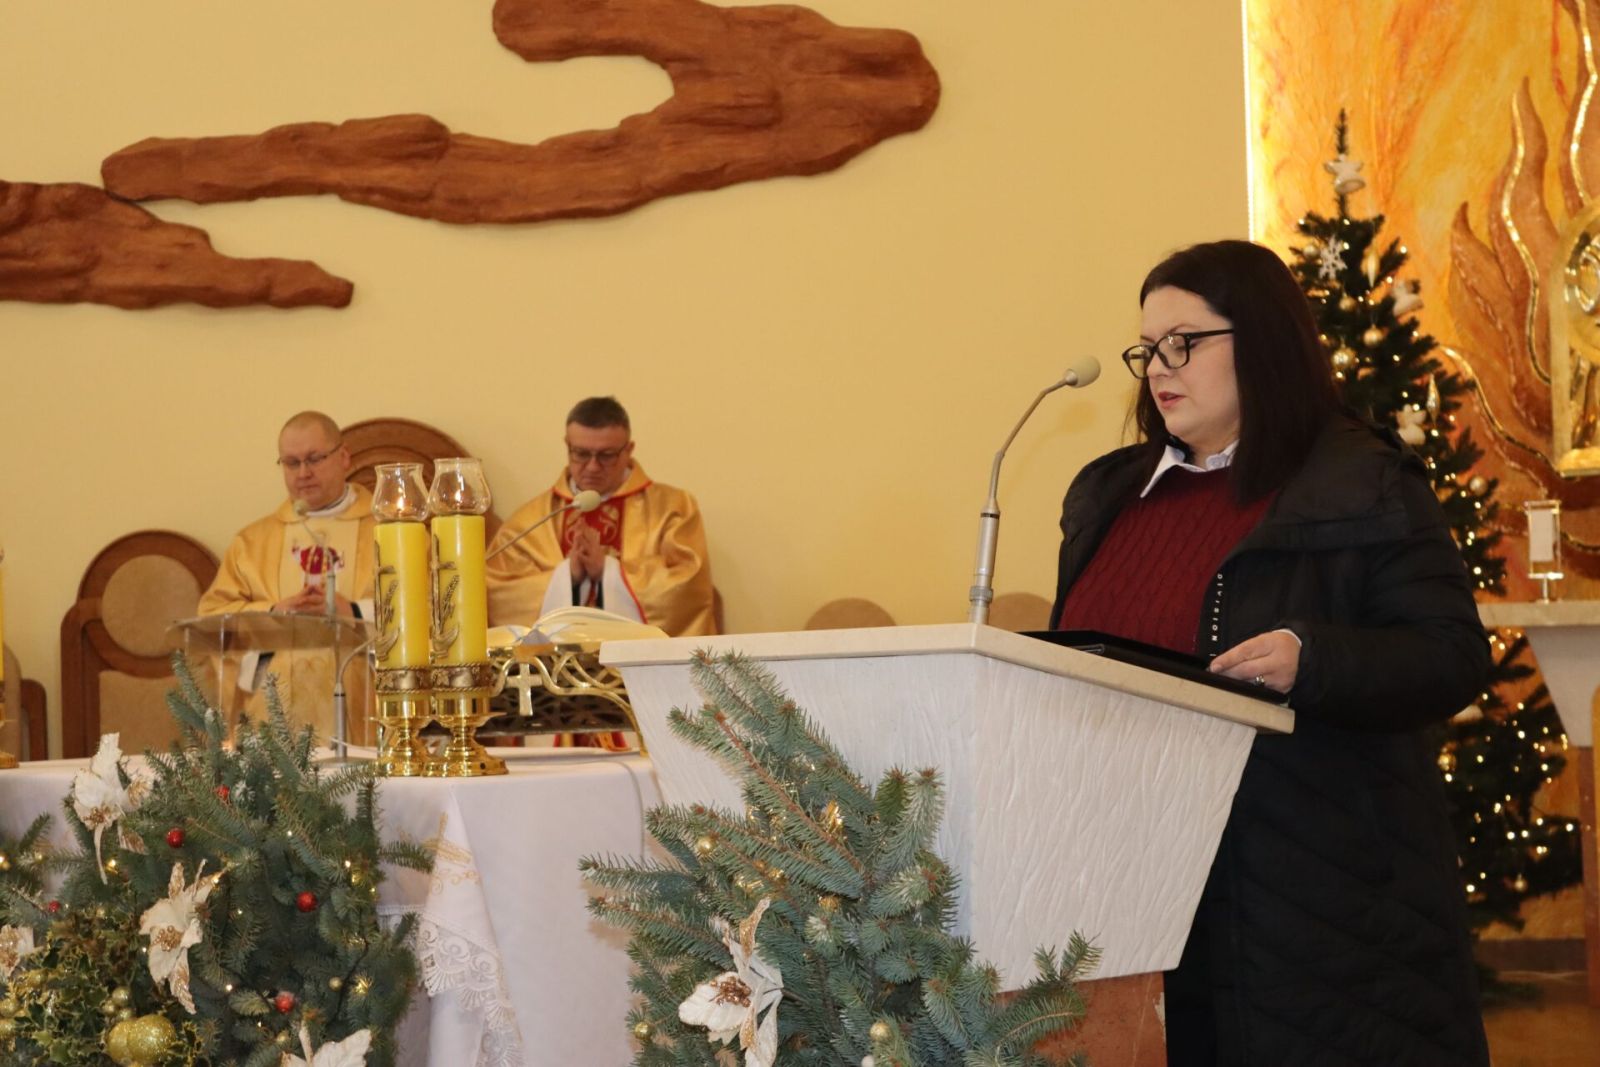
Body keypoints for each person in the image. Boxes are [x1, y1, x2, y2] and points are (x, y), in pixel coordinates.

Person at [1050, 240, 1490, 1065]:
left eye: (1184, 342)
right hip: (1129, 886)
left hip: (1313, 902)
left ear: (1261, 340)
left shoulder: (1361, 482)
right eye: (1148, 348)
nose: (1158, 367)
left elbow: (1451, 654)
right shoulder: (1109, 494)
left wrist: (1311, 658)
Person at [486, 396, 716, 636]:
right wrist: (566, 576)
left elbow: (688, 586)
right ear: (567, 446)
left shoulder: (673, 509)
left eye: (606, 455)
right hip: (555, 661)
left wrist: (609, 571)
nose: (593, 466)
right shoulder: (532, 520)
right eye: (581, 454)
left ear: (628, 450)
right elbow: (499, 593)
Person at [199, 411, 375, 617]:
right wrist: (274, 612)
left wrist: (354, 611)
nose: (303, 473)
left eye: (314, 459)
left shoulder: (388, 532)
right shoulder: (251, 543)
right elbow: (211, 612)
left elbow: (409, 603)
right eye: (292, 463)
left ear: (343, 457)